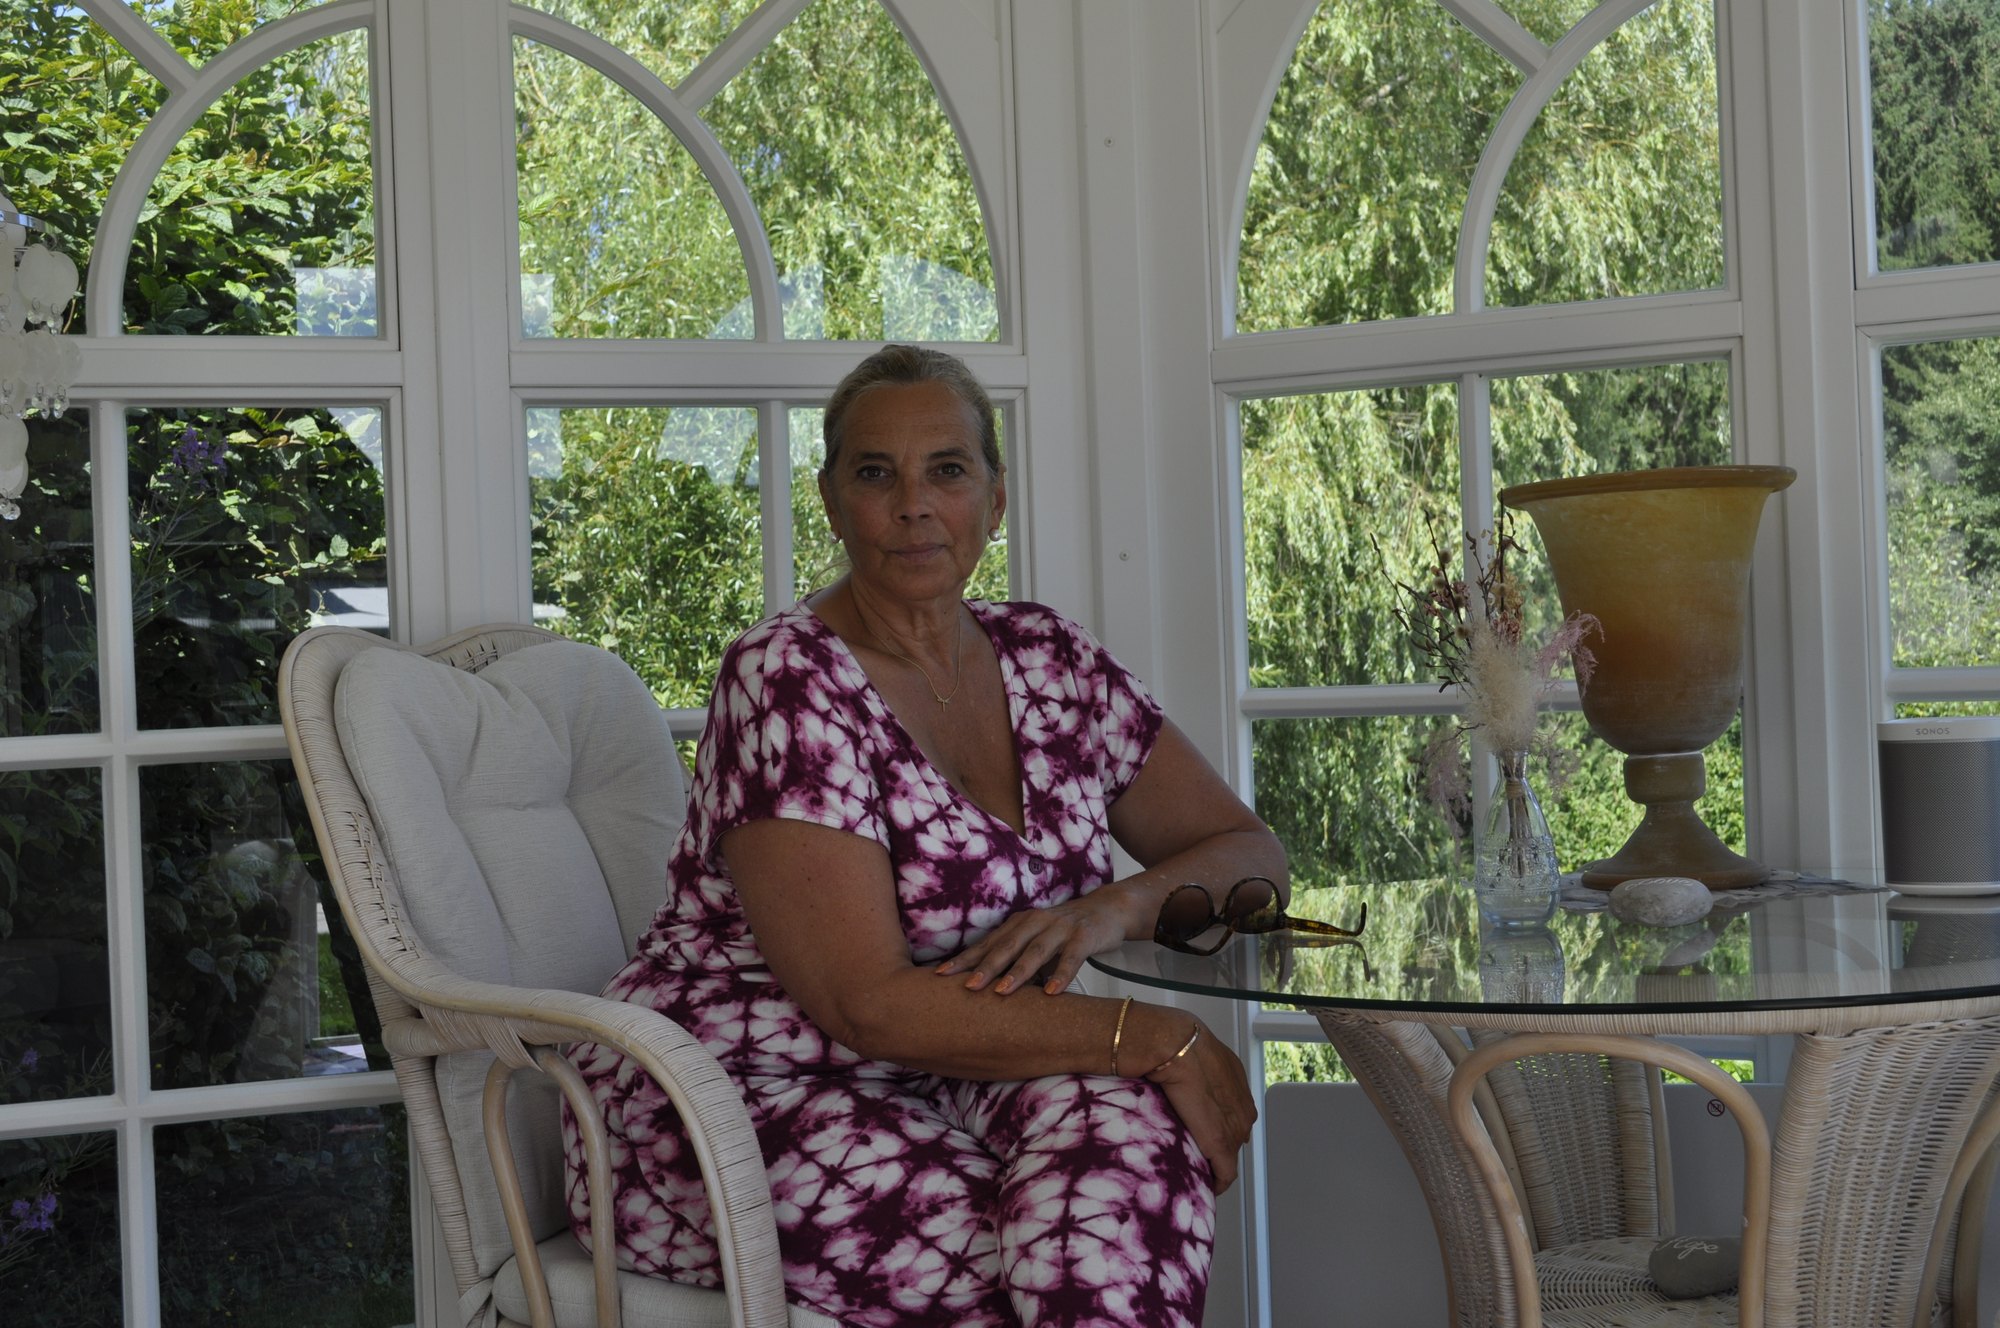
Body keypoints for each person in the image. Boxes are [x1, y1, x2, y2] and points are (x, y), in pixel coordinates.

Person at [564, 344, 1289, 1328]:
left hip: (969, 1071)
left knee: (1129, 1156)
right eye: (876, 474)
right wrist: (1154, 1035)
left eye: (946, 470)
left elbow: (1249, 854)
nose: (913, 505)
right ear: (831, 502)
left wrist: (1108, 909)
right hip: (741, 1092)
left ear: (995, 497)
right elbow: (864, 1004)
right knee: (1050, 1255)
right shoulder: (785, 678)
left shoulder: (1050, 658)